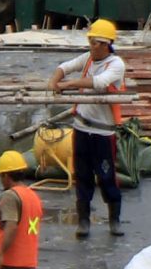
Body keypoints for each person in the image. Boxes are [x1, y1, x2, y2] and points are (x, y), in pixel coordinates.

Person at [48, 19, 126, 238]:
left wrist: (68, 85)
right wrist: (56, 79)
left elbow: (98, 83)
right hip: (82, 129)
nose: (90, 46)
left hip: (103, 133)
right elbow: (65, 67)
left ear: (104, 44)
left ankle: (114, 219)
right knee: (82, 175)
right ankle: (83, 221)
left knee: (107, 176)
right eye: (90, 42)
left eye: (93, 43)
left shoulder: (116, 65)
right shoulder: (88, 59)